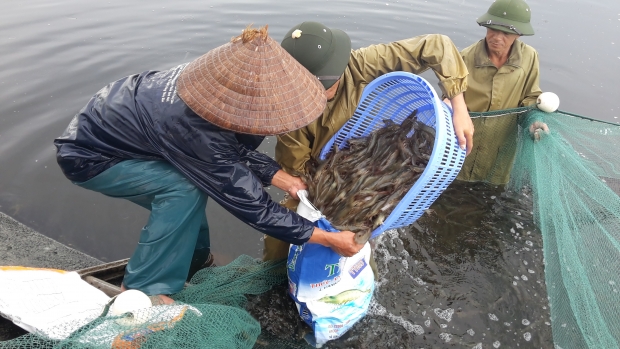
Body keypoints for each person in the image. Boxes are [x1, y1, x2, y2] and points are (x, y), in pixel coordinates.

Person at [53, 26, 363, 305]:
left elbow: (224, 148)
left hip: (129, 121)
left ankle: (193, 262)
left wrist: (282, 177)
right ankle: (143, 290)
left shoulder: (220, 86)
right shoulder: (197, 130)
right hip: (92, 155)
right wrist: (329, 239)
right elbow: (255, 208)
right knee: (183, 190)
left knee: (190, 188)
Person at [262, 21, 475, 261]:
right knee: (281, 241)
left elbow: (437, 45)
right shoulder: (288, 107)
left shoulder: (360, 64)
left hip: (362, 150)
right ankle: (275, 274)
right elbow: (296, 168)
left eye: (321, 89)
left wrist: (459, 105)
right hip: (323, 169)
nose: (313, 97)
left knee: (356, 245)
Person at [455, 0, 544, 185]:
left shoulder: (529, 57)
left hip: (499, 154)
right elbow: (452, 97)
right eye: (492, 29)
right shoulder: (465, 57)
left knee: (492, 195)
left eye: (506, 33)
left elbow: (531, 97)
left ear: (518, 34)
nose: (497, 37)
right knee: (453, 193)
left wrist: (534, 120)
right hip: (463, 149)